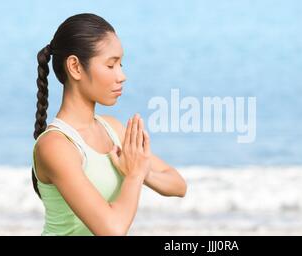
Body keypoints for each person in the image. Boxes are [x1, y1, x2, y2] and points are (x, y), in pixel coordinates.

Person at [31, 13, 187, 236]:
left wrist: (142, 171)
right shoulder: (55, 146)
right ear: (75, 67)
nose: (121, 76)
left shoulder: (112, 128)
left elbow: (178, 185)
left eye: (120, 64)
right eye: (111, 65)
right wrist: (133, 175)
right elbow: (112, 229)